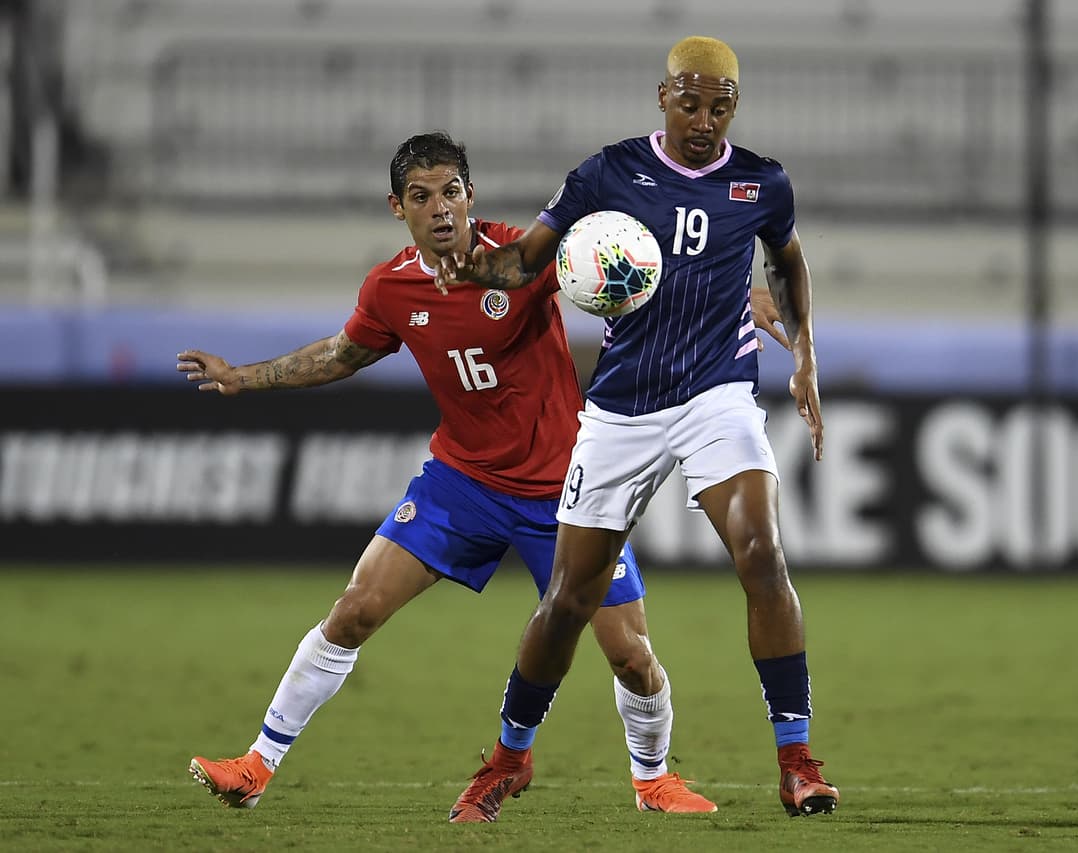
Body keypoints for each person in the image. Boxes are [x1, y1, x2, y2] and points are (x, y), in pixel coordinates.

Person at [177, 131, 734, 819]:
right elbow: (340, 354)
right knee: (354, 610)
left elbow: (626, 265)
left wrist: (738, 303)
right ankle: (256, 766)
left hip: (568, 490)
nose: (439, 208)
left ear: (471, 196)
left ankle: (652, 780)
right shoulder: (390, 289)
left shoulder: (523, 257)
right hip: (461, 483)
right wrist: (244, 378)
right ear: (397, 207)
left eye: (450, 192)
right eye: (421, 196)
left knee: (629, 654)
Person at [437, 36, 839, 821]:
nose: (704, 120)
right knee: (569, 599)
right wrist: (470, 262)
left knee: (762, 548)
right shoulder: (609, 173)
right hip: (622, 408)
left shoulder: (761, 183)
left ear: (734, 107)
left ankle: (796, 760)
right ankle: (509, 757)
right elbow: (526, 263)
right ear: (663, 97)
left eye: (720, 106)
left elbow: (787, 262)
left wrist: (805, 357)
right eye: (690, 102)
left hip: (717, 393)